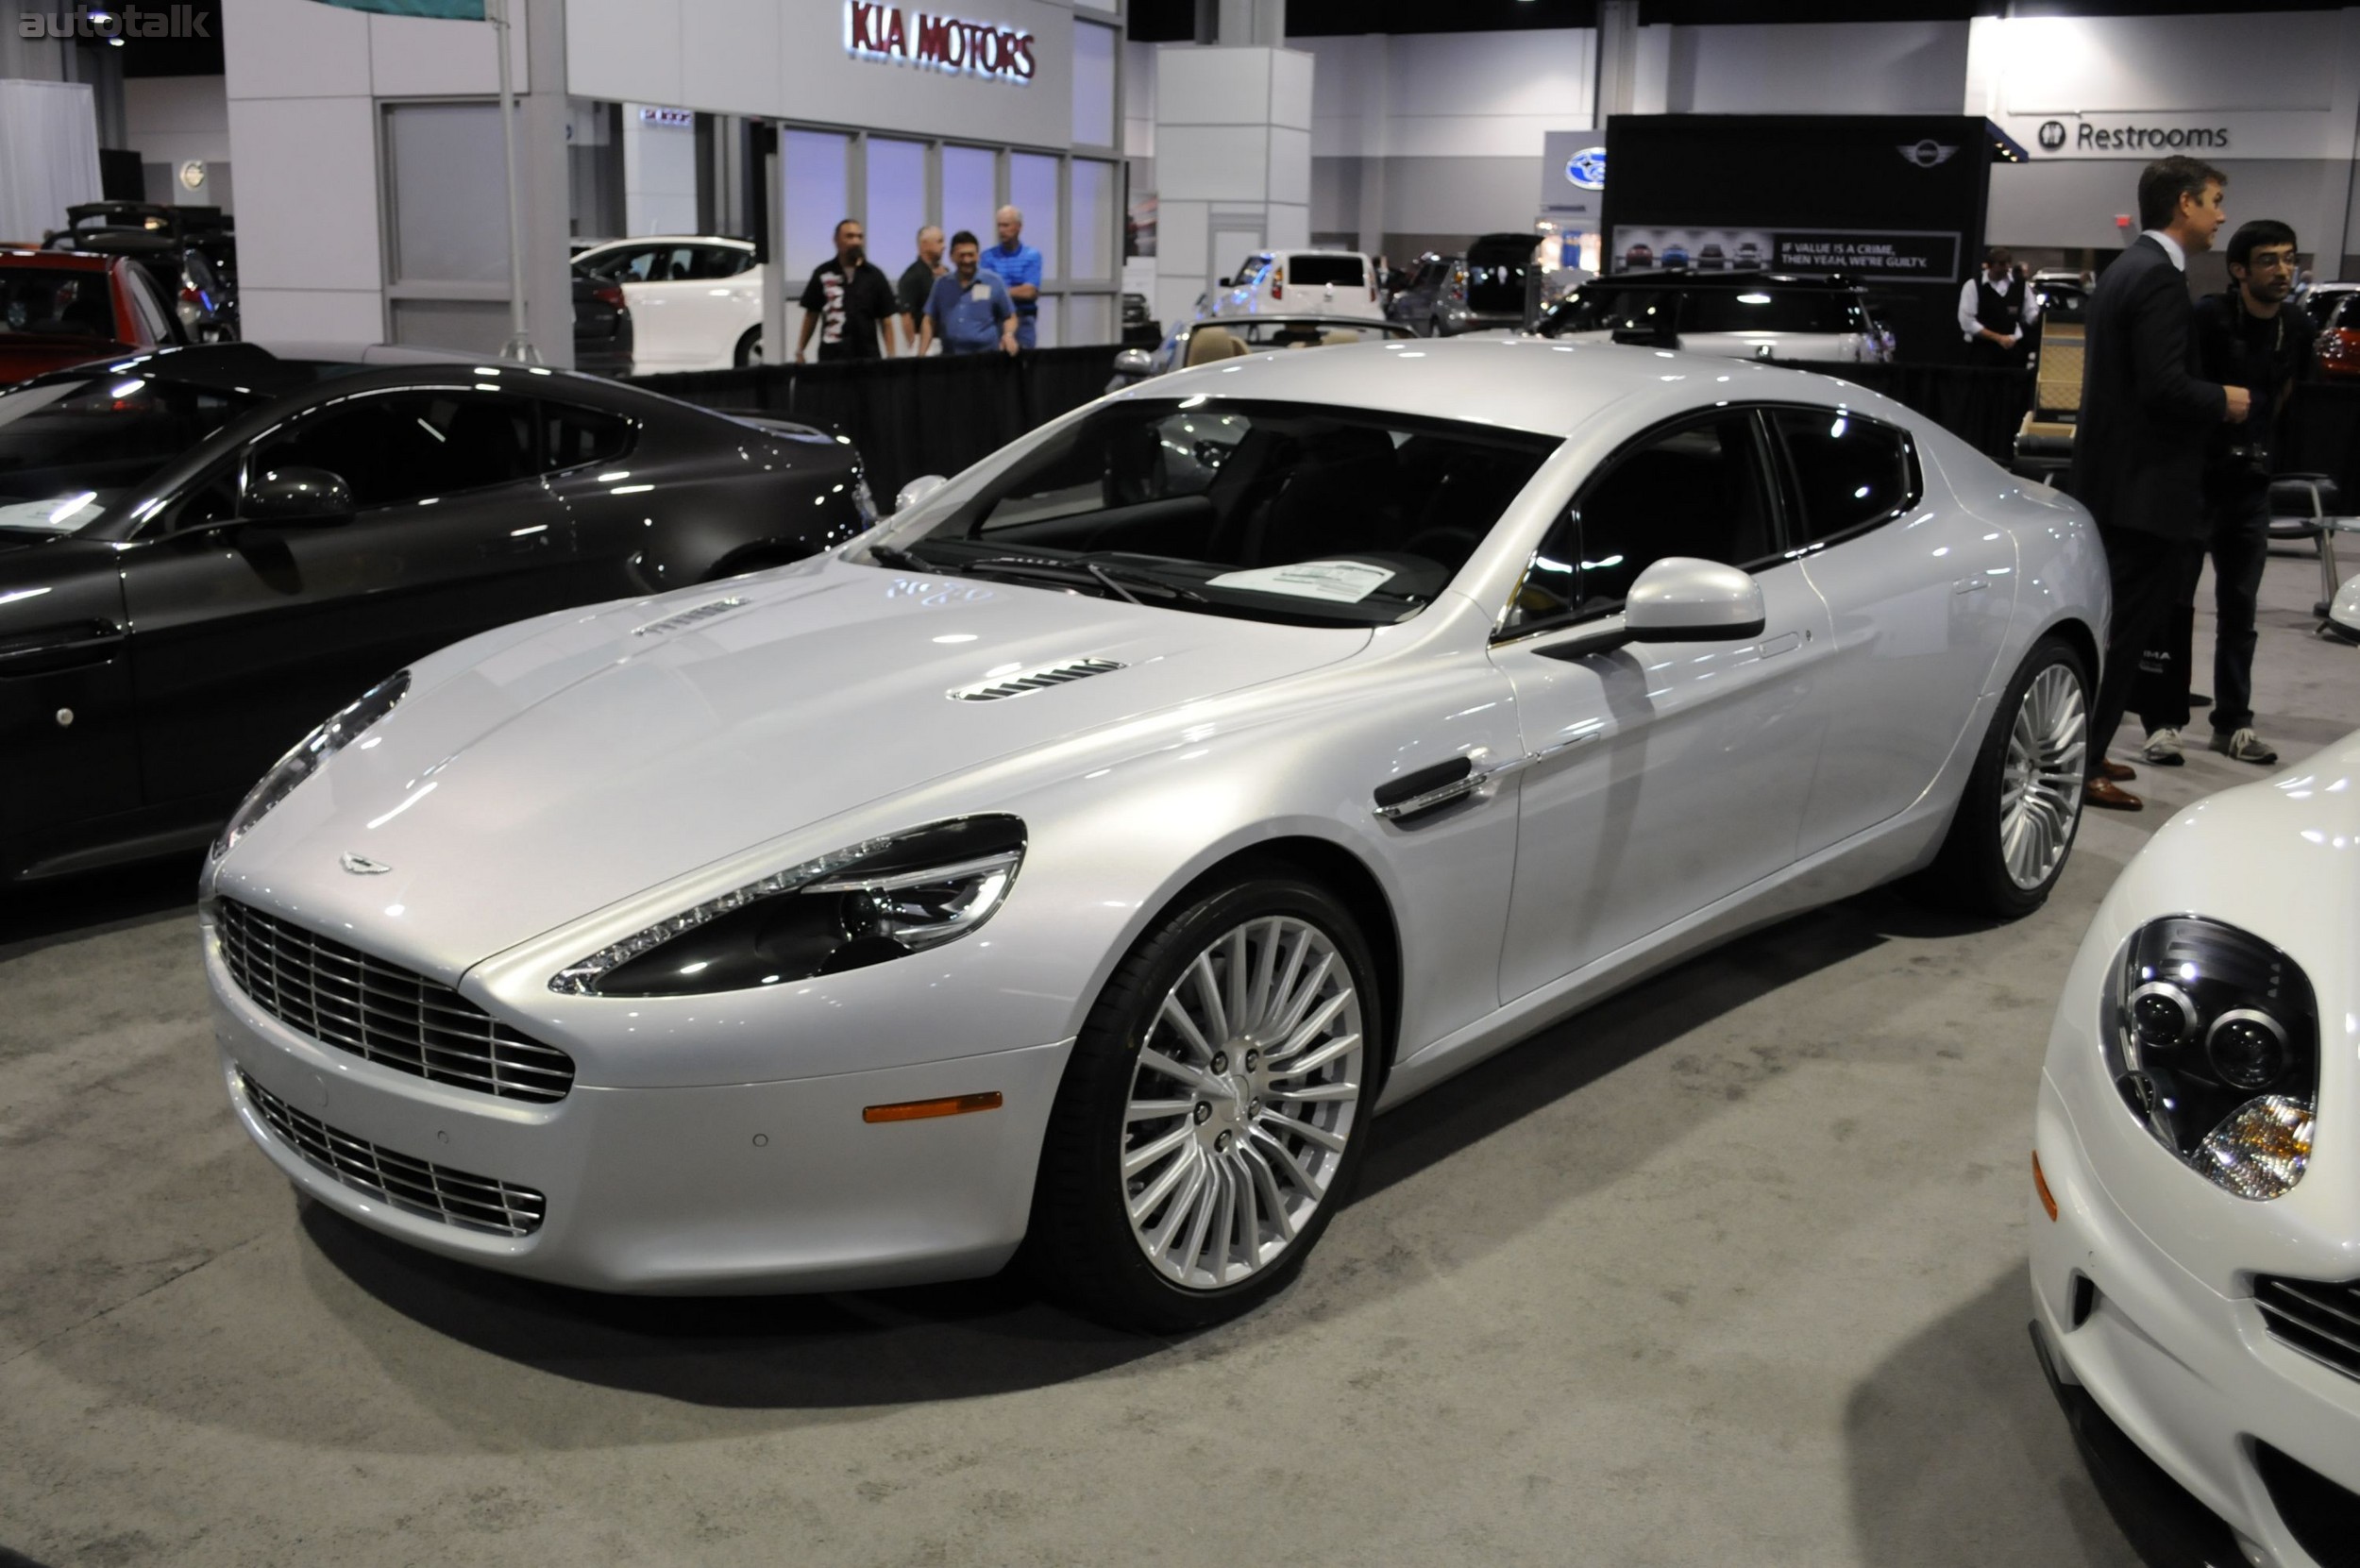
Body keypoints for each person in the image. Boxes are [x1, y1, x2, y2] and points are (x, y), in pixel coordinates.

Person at [2071, 155, 2251, 812]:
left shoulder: (2128, 269)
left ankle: (2089, 748)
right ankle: (2084, 759)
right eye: (2214, 202)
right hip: (2143, 494)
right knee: (2121, 636)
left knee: (2117, 628)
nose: (2221, 216)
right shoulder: (2155, 278)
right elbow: (2163, 385)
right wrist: (2224, 399)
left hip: (2119, 486)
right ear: (2184, 204)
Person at [2132, 219, 2307, 769]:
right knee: (2175, 607)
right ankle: (2163, 724)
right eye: (2269, 260)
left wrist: (2257, 450)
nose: (2282, 270)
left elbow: (2282, 396)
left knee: (2241, 609)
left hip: (2251, 489)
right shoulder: (2208, 317)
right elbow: (2179, 390)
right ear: (2239, 270)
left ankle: (2233, 723)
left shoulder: (2296, 326)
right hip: (2196, 485)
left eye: (2288, 259)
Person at [795, 219, 898, 362]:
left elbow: (886, 321)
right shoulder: (823, 273)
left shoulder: (874, 276)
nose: (856, 241)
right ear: (836, 240)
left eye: (859, 237)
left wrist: (891, 356)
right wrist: (800, 349)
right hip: (832, 357)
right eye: (849, 236)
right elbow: (811, 314)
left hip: (867, 357)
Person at [918, 230, 1018, 357]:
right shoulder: (941, 284)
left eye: (971, 255)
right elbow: (929, 320)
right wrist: (921, 355)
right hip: (951, 358)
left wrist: (1008, 335)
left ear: (978, 256)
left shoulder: (994, 282)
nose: (967, 260)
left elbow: (1009, 316)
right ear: (951, 256)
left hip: (987, 358)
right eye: (962, 255)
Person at [1958, 246, 2039, 365]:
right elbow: (1967, 323)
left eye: (2007, 264)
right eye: (2001, 264)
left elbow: (2030, 312)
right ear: (1989, 266)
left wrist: (2038, 318)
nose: (2006, 268)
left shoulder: (2020, 285)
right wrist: (1999, 338)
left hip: (2012, 351)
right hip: (1981, 350)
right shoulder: (1973, 286)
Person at [989, 204, 1044, 349]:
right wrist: (1016, 291)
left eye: (1006, 225)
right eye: (999, 226)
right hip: (996, 320)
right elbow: (985, 291)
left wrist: (999, 292)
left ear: (1018, 227)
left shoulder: (1031, 256)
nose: (1001, 230)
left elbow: (1030, 292)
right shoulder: (988, 256)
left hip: (1024, 319)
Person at [896, 225, 947, 354]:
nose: (944, 246)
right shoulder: (912, 276)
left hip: (945, 339)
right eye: (939, 241)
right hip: (925, 342)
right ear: (924, 245)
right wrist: (914, 345)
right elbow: (906, 316)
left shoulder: (945, 274)